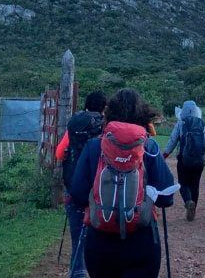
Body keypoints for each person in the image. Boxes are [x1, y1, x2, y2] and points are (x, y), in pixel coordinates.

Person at [70, 88, 175, 278]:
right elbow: (166, 198)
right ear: (143, 114)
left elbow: (77, 195)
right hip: (142, 243)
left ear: (108, 113)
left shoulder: (94, 146)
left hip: (100, 244)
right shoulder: (149, 147)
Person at [56, 90, 107, 278]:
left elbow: (59, 154)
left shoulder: (75, 124)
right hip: (102, 190)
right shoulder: (106, 127)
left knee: (78, 239)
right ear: (104, 108)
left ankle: (78, 272)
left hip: (75, 188)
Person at [162, 100, 205, 221]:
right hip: (199, 159)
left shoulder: (181, 123)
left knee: (183, 183)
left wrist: (164, 155)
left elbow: (173, 141)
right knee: (195, 184)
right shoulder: (201, 124)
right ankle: (193, 207)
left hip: (184, 159)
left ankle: (188, 201)